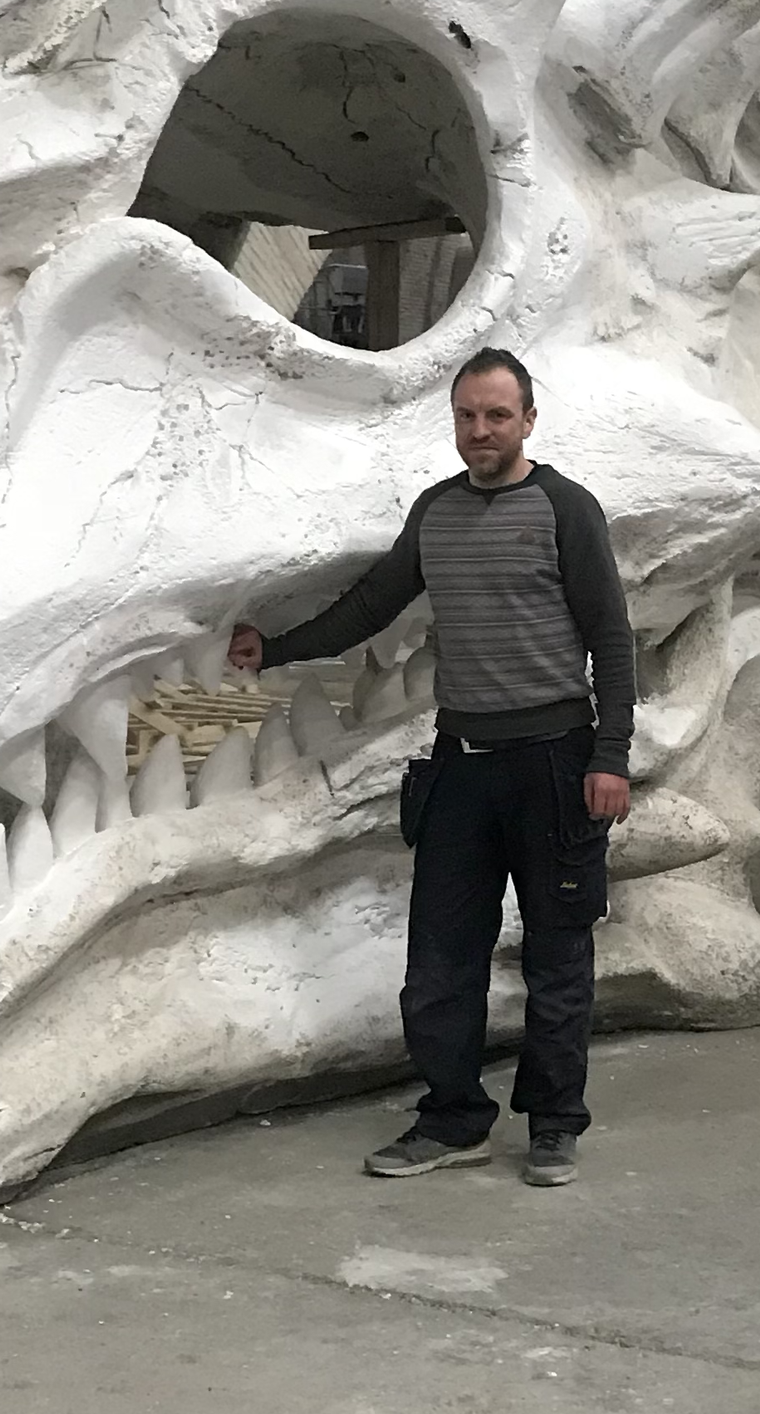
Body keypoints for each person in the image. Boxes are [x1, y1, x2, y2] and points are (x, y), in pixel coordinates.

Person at [229, 347, 635, 1188]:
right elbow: (372, 605)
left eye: (496, 415)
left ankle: (555, 1122)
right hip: (461, 766)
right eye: (466, 416)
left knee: (558, 953)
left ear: (528, 420)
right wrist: (275, 650)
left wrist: (610, 757)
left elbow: (611, 639)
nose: (480, 431)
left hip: (555, 766)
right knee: (440, 959)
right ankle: (453, 1118)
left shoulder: (566, 509)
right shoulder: (437, 512)